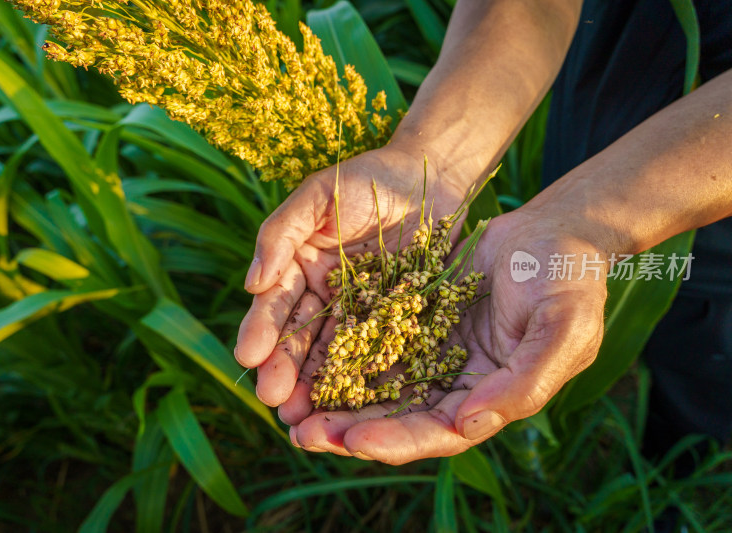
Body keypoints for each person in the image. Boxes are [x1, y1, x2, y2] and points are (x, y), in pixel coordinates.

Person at [234, 0, 732, 466]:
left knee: (707, 343)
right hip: (620, 51)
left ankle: (685, 471)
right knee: (678, 343)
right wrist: (437, 165)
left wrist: (582, 225)